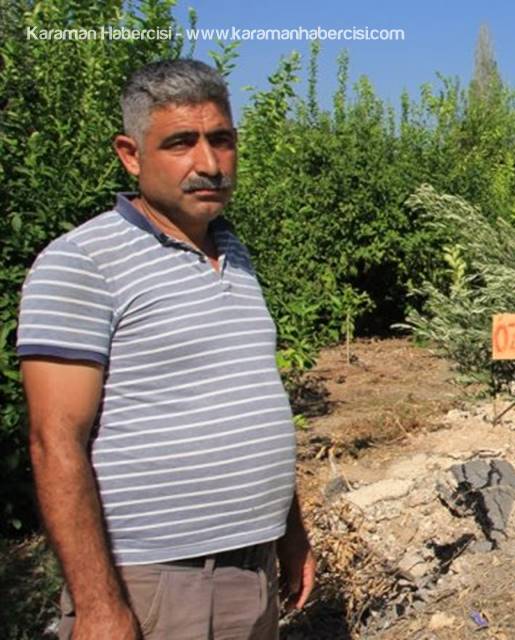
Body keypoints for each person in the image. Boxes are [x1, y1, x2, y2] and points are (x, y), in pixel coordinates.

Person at [17, 59, 315, 639]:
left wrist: (289, 531)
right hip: (159, 585)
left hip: (250, 571)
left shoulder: (232, 254)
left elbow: (249, 403)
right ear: (130, 154)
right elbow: (54, 442)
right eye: (181, 143)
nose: (209, 164)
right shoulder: (82, 263)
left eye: (221, 140)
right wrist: (99, 607)